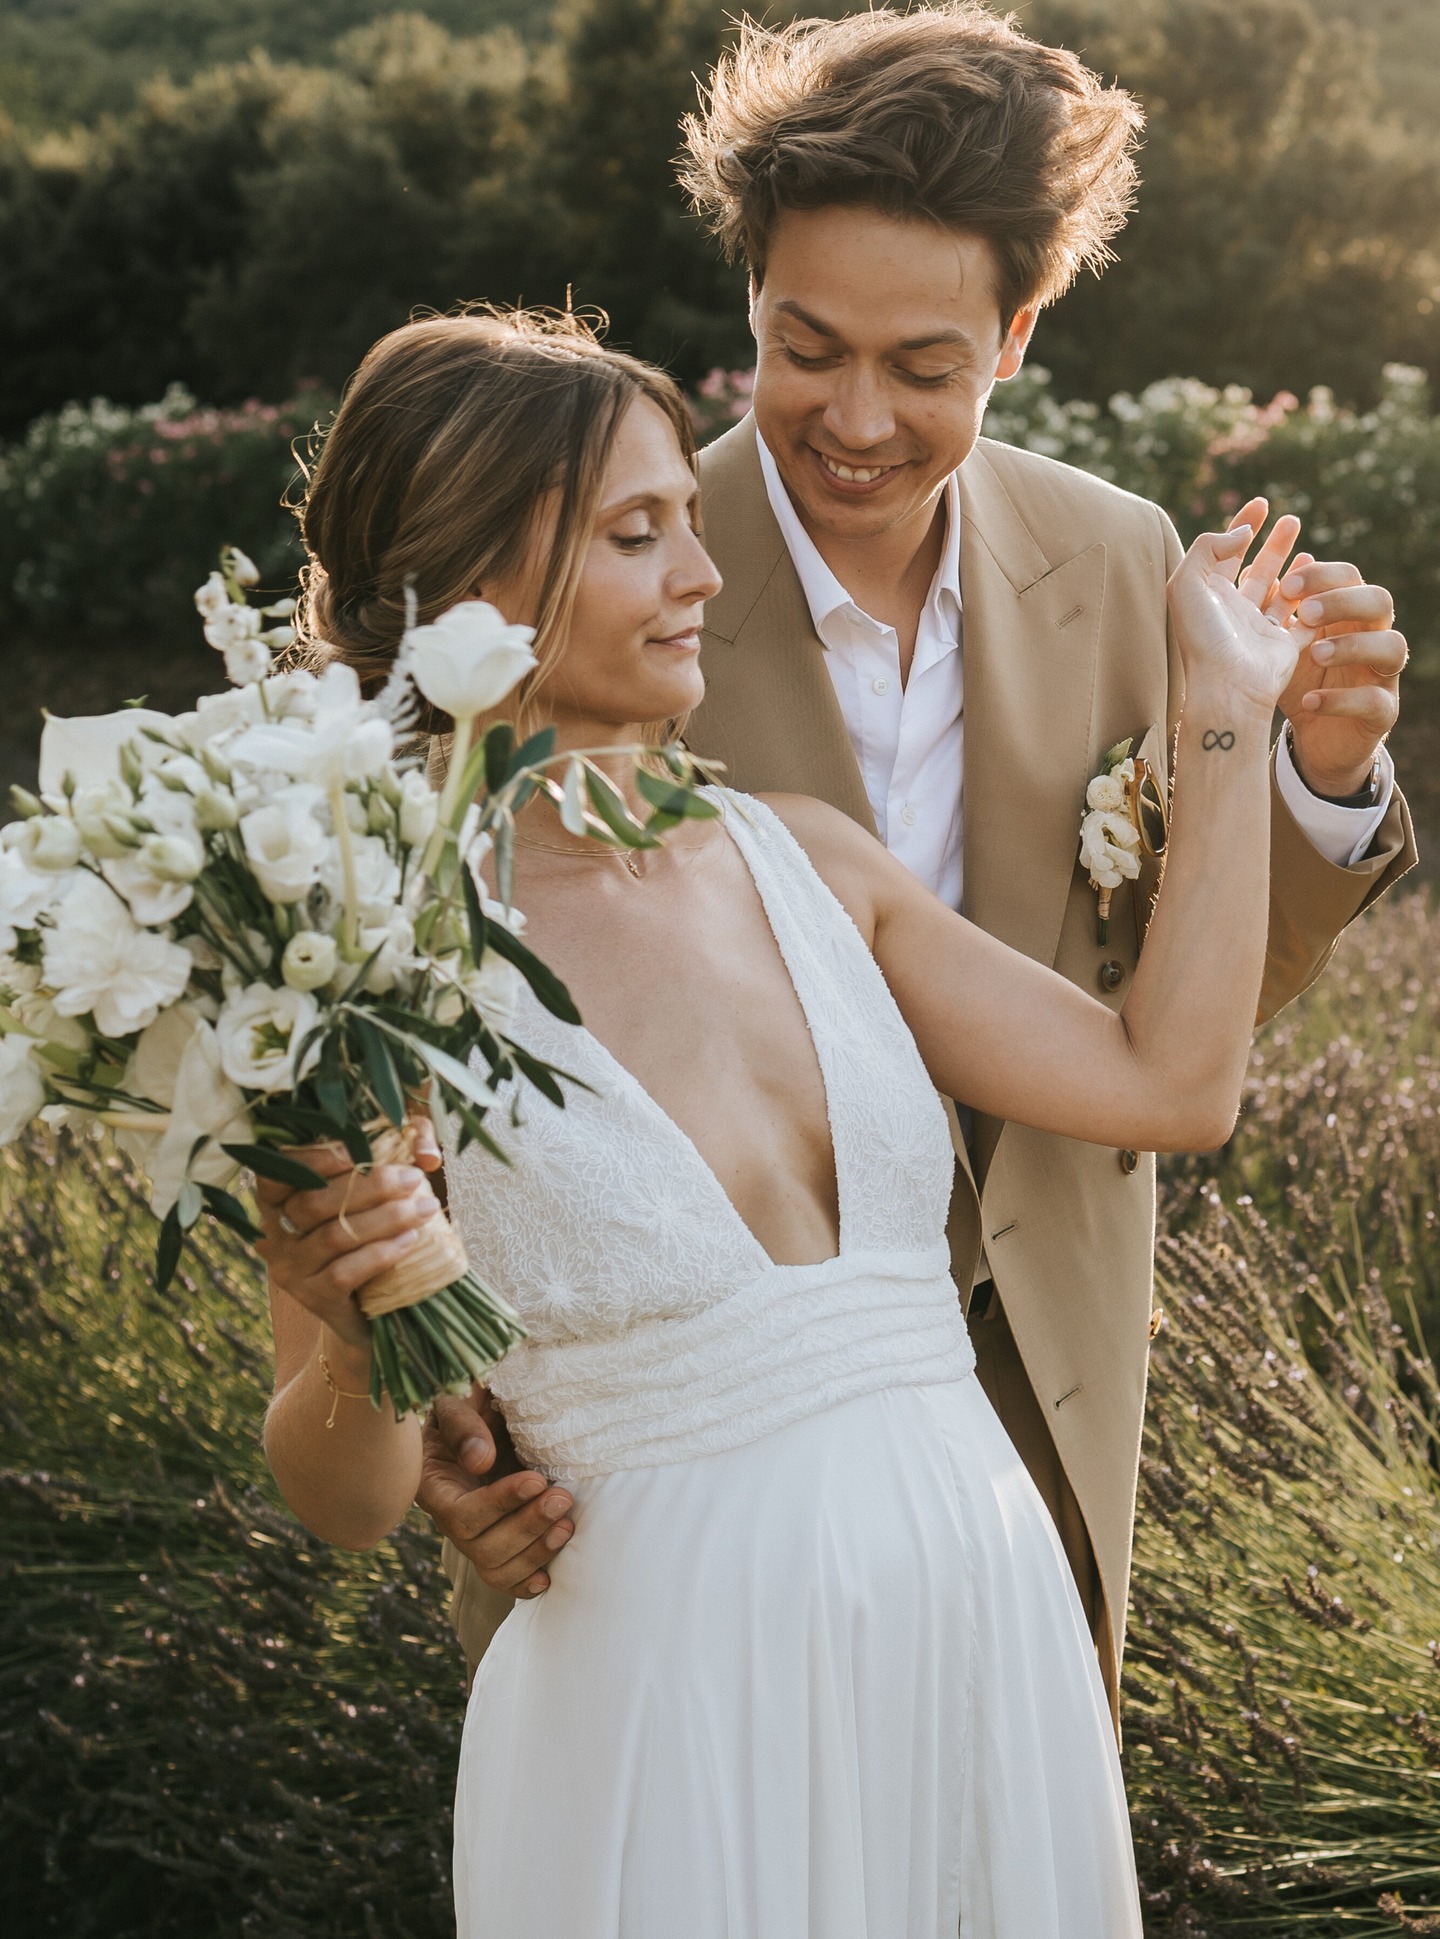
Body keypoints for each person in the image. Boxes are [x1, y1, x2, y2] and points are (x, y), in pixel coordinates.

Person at [263, 305, 1357, 1936]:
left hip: (984, 1640)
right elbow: (342, 1497)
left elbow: (1170, 1085)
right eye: (641, 535)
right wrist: (361, 1343)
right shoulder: (370, 964)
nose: (705, 578)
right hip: (671, 1709)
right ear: (475, 588)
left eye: (687, 526)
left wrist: (1225, 694)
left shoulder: (812, 860)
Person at [420, 2, 1415, 1721]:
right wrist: (428, 1389)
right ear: (747, 295)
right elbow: (428, 1023)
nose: (855, 419)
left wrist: (1307, 779)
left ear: (1018, 334)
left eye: (925, 366)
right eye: (805, 348)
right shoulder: (606, 579)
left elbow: (1174, 1021)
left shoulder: (1119, 560)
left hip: (1045, 1373)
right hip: (673, 1450)